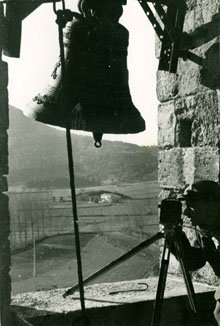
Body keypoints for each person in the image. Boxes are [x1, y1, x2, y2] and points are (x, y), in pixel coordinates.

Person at [167, 180, 220, 325]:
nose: (185, 211)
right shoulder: (204, 231)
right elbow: (194, 261)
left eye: (192, 204)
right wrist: (177, 238)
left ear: (211, 203)